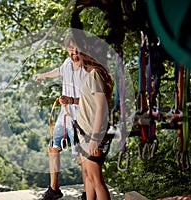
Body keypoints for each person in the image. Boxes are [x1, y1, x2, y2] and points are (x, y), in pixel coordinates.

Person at [59, 35, 113, 200]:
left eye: (77, 50)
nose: (74, 54)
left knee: (97, 180)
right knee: (88, 177)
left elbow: (102, 106)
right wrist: (71, 101)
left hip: (91, 134)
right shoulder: (90, 75)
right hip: (83, 133)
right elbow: (89, 100)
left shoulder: (95, 74)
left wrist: (95, 138)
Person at [35, 32, 87, 200]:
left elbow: (92, 100)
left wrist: (72, 100)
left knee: (82, 156)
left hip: (82, 117)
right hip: (65, 116)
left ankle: (88, 192)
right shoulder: (66, 63)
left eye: (77, 48)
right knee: (53, 147)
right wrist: (43, 75)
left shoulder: (87, 69)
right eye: (70, 48)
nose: (74, 52)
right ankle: (54, 189)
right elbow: (57, 71)